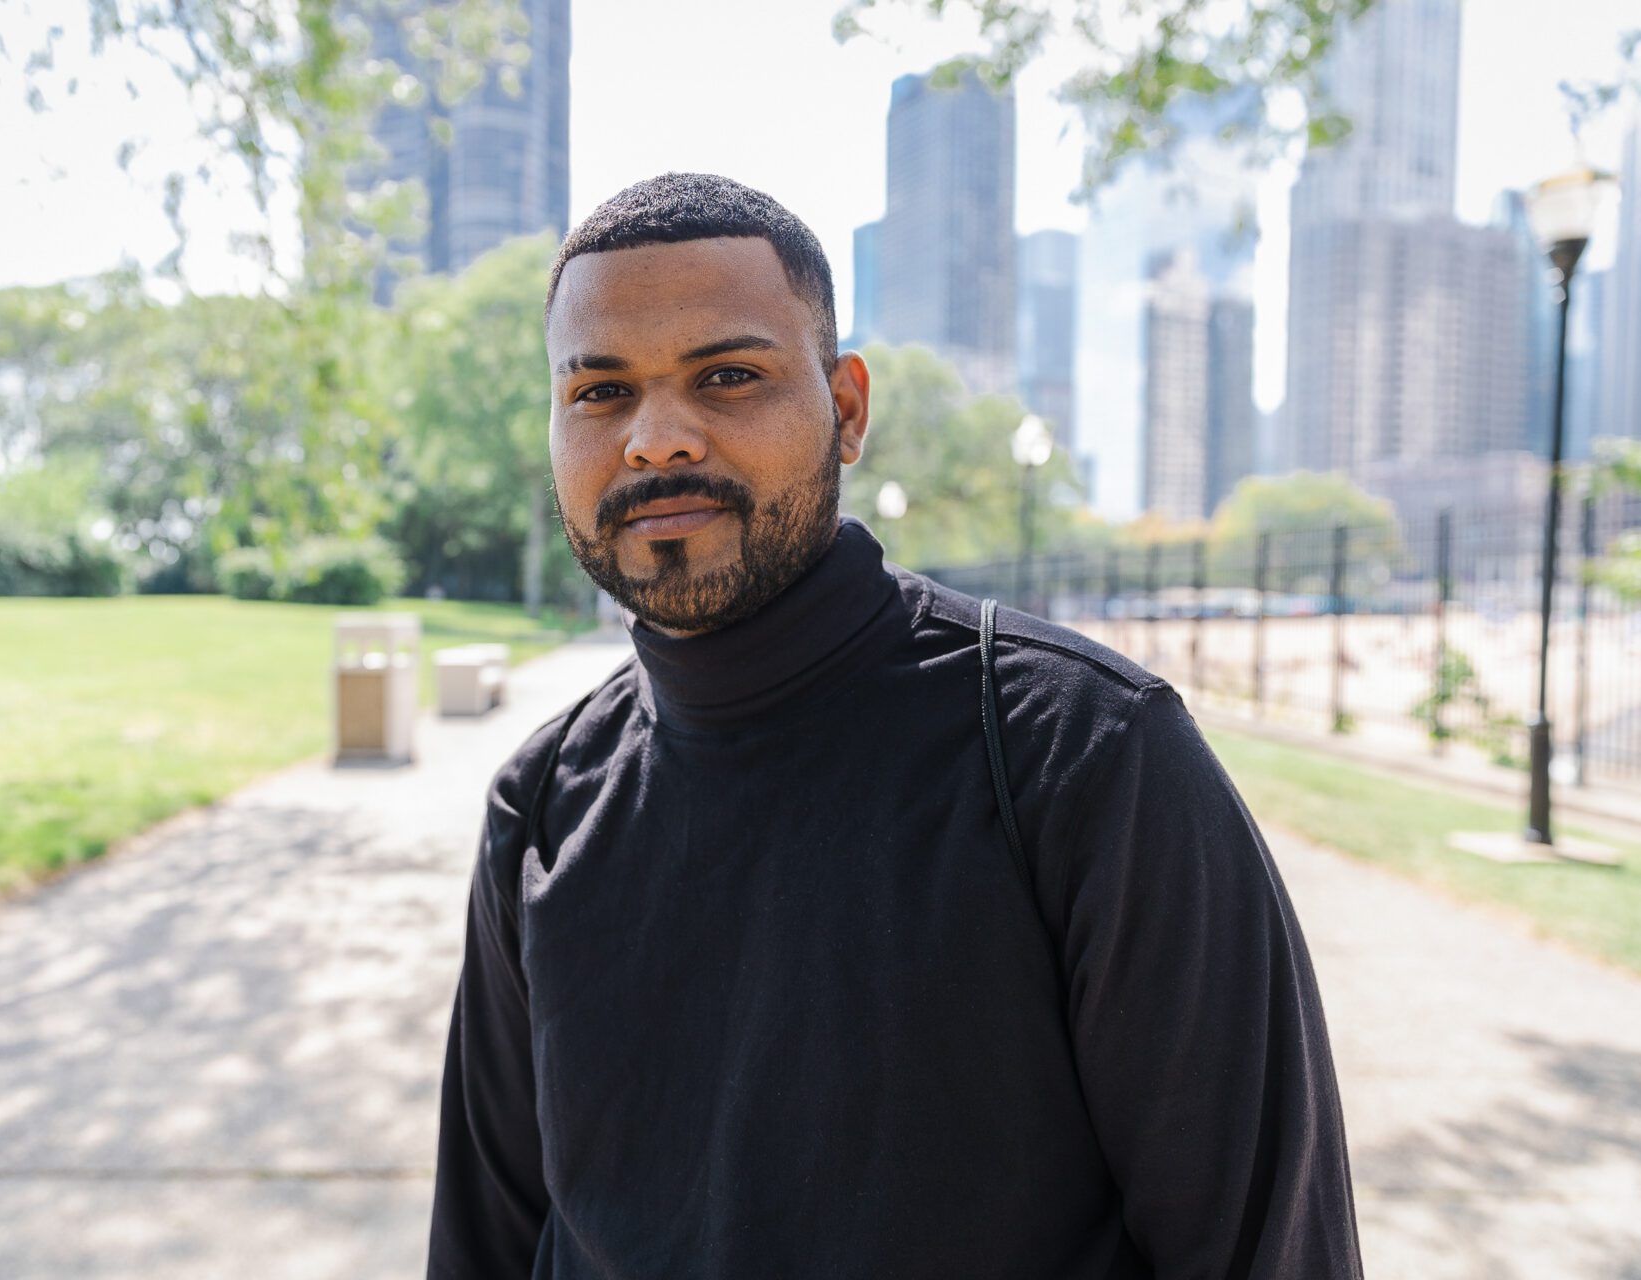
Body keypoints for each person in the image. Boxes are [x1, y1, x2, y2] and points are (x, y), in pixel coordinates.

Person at [426, 172, 1363, 1278]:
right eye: (599, 392)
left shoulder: (1083, 754)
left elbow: (1265, 1249)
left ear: (849, 408)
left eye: (729, 376)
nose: (657, 438)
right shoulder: (541, 802)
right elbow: (486, 1240)